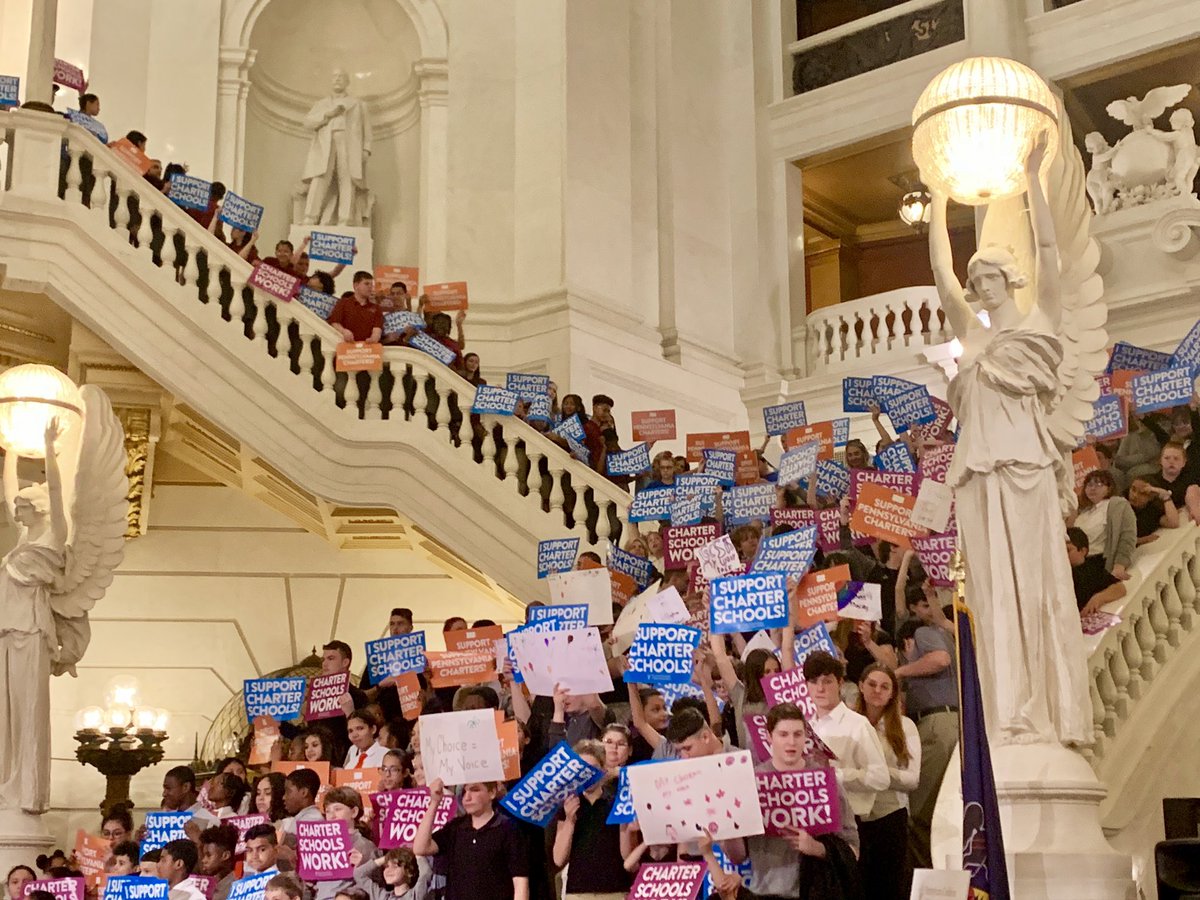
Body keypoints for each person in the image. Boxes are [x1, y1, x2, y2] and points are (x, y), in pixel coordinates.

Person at [718, 703, 861, 900]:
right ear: (769, 737)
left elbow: (853, 849)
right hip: (762, 893)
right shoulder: (751, 783)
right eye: (783, 734)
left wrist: (816, 848)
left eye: (797, 734)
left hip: (813, 893)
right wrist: (731, 825)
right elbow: (737, 857)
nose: (791, 742)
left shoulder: (826, 782)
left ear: (806, 737)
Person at [894, 615, 957, 870]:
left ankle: (928, 878)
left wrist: (899, 671)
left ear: (906, 644)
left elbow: (941, 659)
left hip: (938, 725)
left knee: (919, 812)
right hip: (942, 726)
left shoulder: (922, 632)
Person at [854, 663, 920, 900]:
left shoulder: (905, 726)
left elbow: (913, 779)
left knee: (889, 888)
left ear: (893, 693)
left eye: (884, 686)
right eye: (872, 684)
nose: (877, 691)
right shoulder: (850, 725)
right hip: (855, 818)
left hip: (890, 816)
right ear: (861, 686)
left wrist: (878, 774)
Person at [801, 652, 889, 820]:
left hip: (850, 819)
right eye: (813, 682)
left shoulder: (857, 724)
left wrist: (836, 775)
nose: (820, 688)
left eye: (827, 681)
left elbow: (881, 778)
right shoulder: (806, 727)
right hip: (815, 816)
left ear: (840, 683)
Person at [413, 779, 529, 900]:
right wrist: (434, 802)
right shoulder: (455, 828)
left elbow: (520, 881)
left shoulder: (508, 829)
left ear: (492, 793)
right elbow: (420, 848)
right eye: (464, 791)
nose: (467, 797)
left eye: (475, 790)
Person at [551, 739, 631, 899]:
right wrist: (569, 820)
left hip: (614, 890)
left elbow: (626, 856)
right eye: (580, 769)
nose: (586, 775)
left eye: (592, 769)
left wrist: (626, 824)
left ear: (602, 770)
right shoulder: (568, 805)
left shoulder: (616, 801)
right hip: (578, 892)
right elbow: (558, 859)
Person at [302, 68, 372, 226]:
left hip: (349, 144)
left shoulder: (358, 104)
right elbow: (307, 122)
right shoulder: (322, 104)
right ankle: (310, 217)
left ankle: (345, 219)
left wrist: (366, 149)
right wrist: (327, 115)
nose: (337, 79)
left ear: (347, 82)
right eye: (334, 76)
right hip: (325, 143)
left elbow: (367, 129)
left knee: (347, 178)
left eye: (341, 76)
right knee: (320, 177)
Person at [1070, 470, 1137, 579]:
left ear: (1109, 488)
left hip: (1100, 562)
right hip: (1080, 562)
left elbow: (1127, 536)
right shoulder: (1083, 512)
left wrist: (1120, 565)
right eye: (1089, 484)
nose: (1092, 488)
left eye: (1098, 484)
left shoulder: (1117, 504)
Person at [1066, 527, 1127, 615]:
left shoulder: (1093, 567)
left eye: (1068, 550)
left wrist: (1098, 598)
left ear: (1083, 551)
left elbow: (1120, 588)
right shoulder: (1060, 576)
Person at [1149, 441, 1200, 522]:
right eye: (1167, 458)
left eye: (1176, 458)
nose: (1171, 462)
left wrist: (1194, 508)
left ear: (1184, 462)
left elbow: (1194, 492)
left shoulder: (1190, 479)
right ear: (1160, 461)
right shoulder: (1151, 481)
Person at [329, 272, 384, 344]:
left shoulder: (376, 308)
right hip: (346, 348)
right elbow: (335, 323)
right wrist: (344, 331)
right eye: (366, 284)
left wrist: (374, 338)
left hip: (368, 349)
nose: (370, 287)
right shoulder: (343, 303)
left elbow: (377, 329)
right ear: (356, 285)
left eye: (371, 284)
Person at [350, 847, 422, 900]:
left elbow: (426, 873)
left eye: (394, 866)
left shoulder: (416, 894)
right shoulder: (381, 896)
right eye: (386, 866)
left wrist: (417, 853)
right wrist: (387, 857)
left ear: (409, 871)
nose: (388, 870)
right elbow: (359, 874)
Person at [1127, 476, 1181, 544]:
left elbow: (1174, 523)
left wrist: (1164, 495)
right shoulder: (1121, 507)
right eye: (1133, 489)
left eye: (1142, 493)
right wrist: (1144, 540)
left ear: (1151, 497)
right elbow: (1117, 541)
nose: (1135, 495)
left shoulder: (1152, 510)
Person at [197, 823, 238, 900]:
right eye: (204, 855)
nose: (203, 860)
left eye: (208, 855)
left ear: (225, 855)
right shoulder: (204, 886)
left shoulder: (236, 888)